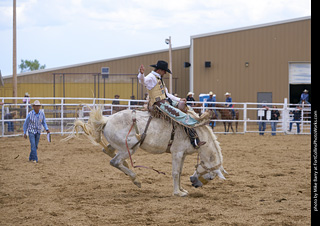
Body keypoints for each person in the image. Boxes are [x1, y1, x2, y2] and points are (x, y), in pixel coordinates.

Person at [138, 60, 208, 149]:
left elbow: (167, 94)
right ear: (160, 70)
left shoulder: (158, 78)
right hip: (159, 104)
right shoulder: (151, 77)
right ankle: (195, 131)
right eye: (164, 71)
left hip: (165, 101)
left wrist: (179, 100)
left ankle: (192, 128)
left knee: (185, 107)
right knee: (179, 115)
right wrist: (141, 74)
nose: (165, 73)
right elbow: (143, 81)